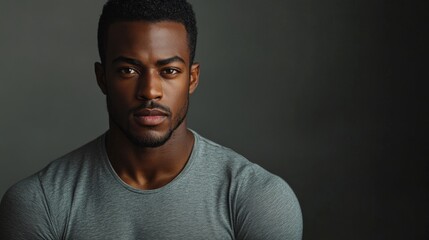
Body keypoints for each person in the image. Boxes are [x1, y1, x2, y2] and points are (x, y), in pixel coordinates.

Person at [0, 0, 302, 239]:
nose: (149, 91)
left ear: (192, 78)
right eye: (128, 70)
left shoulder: (256, 199)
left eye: (169, 71)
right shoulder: (39, 204)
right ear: (102, 78)